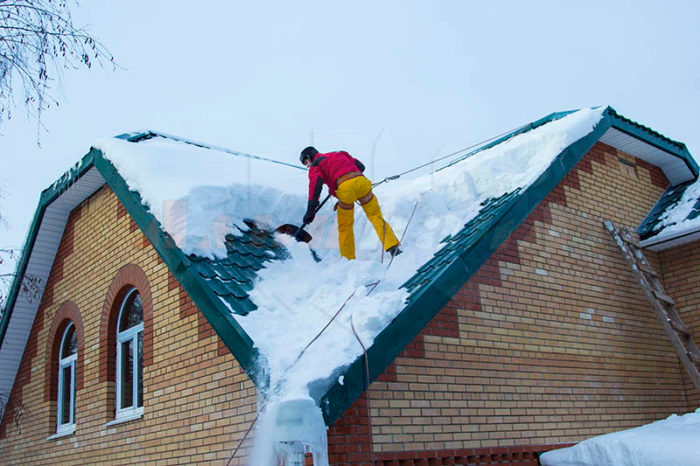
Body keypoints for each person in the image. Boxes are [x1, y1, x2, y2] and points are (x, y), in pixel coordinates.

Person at [300, 146, 401, 260]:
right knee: (375, 216)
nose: (307, 166)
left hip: (345, 189)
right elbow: (361, 167)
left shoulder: (315, 166)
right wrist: (337, 174)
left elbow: (315, 188)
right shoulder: (339, 153)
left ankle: (348, 259)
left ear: (309, 157)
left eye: (306, 162)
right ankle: (393, 246)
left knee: (345, 226)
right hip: (362, 182)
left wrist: (310, 211)